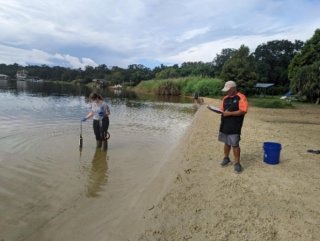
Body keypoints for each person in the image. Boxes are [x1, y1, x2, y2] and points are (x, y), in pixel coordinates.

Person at [218, 80, 248, 173]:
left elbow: (243, 111)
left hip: (235, 125)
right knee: (226, 143)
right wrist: (218, 111)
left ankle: (237, 163)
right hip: (224, 124)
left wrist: (230, 113)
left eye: (228, 90)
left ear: (234, 88)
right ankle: (226, 158)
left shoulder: (241, 97)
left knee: (235, 144)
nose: (227, 91)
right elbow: (222, 110)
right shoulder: (225, 98)